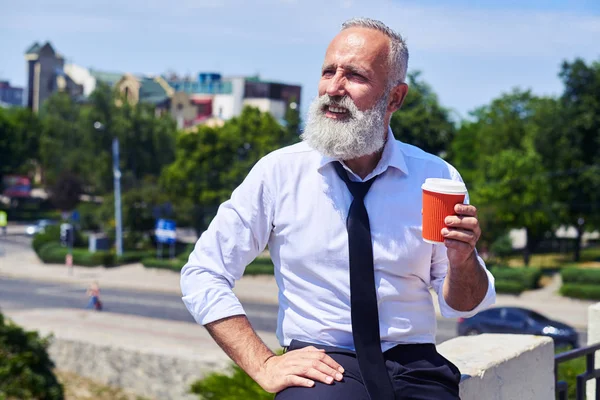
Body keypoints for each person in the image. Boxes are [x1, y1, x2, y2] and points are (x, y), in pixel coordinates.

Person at [181, 17, 496, 400]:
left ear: (395, 98)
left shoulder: (435, 176)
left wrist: (463, 260)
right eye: (328, 71)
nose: (333, 88)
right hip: (323, 364)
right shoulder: (279, 172)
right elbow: (203, 273)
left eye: (355, 76)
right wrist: (263, 362)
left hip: (414, 366)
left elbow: (461, 304)